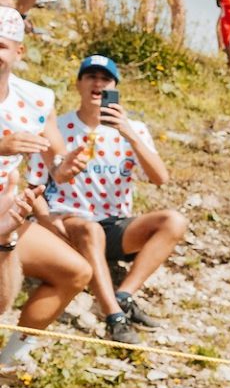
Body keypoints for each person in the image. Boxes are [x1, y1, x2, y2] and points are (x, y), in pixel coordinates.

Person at [44, 55, 187, 345]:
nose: (98, 84)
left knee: (175, 221)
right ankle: (113, 316)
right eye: (91, 77)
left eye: (105, 79)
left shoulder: (132, 130)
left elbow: (160, 178)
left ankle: (125, 295)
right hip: (70, 222)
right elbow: (39, 179)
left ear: (115, 88)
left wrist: (130, 134)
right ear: (78, 85)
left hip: (114, 225)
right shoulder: (58, 127)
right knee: (90, 229)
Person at [0, 8, 92, 371]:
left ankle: (10, 360)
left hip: (6, 209)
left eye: (2, 47)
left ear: (19, 53)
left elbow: (56, 162)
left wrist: (64, 168)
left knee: (75, 272)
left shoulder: (36, 99)